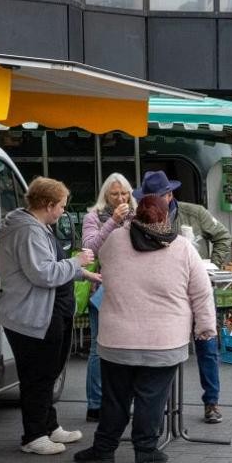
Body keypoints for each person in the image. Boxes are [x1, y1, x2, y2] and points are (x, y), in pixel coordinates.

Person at [74, 195, 216, 463]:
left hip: (117, 339)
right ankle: (146, 450)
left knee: (115, 397)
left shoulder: (115, 241)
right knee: (151, 397)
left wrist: (121, 224)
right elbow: (201, 293)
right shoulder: (183, 248)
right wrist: (206, 329)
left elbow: (99, 255)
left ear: (136, 215)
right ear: (166, 217)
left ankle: (104, 448)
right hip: (164, 340)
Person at [0, 177, 99, 455]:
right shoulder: (28, 231)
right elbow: (42, 273)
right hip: (33, 316)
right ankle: (34, 436)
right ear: (47, 204)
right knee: (38, 376)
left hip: (50, 312)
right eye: (62, 206)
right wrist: (76, 262)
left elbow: (51, 265)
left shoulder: (39, 227)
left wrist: (81, 272)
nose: (63, 212)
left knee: (49, 373)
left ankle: (48, 426)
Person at [134, 170, 229, 424]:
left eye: (154, 197)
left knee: (207, 346)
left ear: (169, 195)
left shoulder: (194, 212)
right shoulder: (141, 216)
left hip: (198, 289)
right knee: (163, 351)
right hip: (165, 295)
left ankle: (212, 402)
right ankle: (160, 404)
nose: (149, 202)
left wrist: (211, 266)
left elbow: (223, 237)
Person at [81, 173, 136, 422]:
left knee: (130, 345)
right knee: (98, 347)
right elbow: (90, 247)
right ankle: (95, 403)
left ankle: (125, 401)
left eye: (124, 193)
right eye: (115, 194)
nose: (121, 198)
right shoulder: (93, 217)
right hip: (103, 288)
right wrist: (113, 221)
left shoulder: (137, 215)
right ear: (106, 195)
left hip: (133, 289)